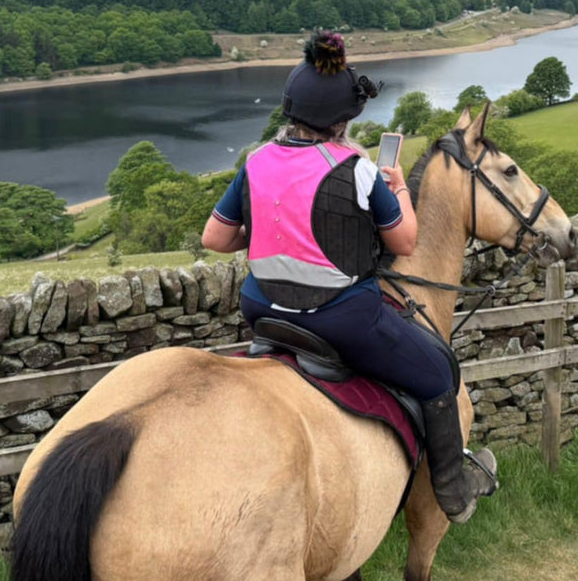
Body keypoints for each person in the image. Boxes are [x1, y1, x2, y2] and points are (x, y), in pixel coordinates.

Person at [202, 30, 497, 523]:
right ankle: (452, 488)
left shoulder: (256, 162)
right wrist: (398, 190)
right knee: (438, 372)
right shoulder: (359, 169)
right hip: (340, 320)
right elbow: (404, 243)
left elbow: (215, 237)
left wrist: (266, 234)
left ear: (292, 112)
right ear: (343, 120)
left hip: (262, 309)